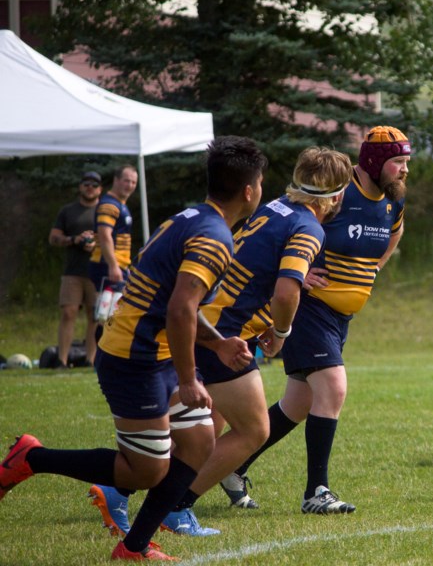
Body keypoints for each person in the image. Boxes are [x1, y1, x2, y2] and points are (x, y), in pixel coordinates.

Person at [0, 136, 267, 561]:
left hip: (156, 352)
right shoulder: (215, 237)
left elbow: (171, 303)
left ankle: (134, 547)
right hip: (133, 359)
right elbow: (179, 310)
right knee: (145, 470)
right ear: (250, 190)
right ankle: (32, 457)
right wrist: (187, 378)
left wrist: (215, 344)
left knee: (199, 442)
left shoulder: (190, 218)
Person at [88, 147, 352, 537]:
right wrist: (280, 333)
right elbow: (284, 292)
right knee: (254, 430)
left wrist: (261, 317)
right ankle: (175, 506)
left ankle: (121, 489)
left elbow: (252, 267)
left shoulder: (277, 207)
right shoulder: (310, 227)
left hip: (211, 323)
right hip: (219, 333)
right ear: (334, 196)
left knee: (208, 426)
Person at [221, 126, 411, 515]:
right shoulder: (337, 191)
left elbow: (395, 231)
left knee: (299, 402)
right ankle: (316, 491)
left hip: (341, 317)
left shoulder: (393, 200)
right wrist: (296, 274)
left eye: (406, 162)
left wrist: (375, 268)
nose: (404, 170)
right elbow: (281, 226)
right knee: (334, 388)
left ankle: (232, 465)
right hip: (310, 307)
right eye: (397, 162)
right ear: (374, 162)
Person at [49, 170, 101, 367]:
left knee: (95, 316)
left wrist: (96, 244)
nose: (90, 188)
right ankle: (61, 360)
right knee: (68, 312)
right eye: (86, 183)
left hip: (97, 271)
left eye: (94, 185)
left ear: (100, 189)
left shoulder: (104, 211)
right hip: (73, 271)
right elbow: (53, 237)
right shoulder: (67, 211)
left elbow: (114, 239)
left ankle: (91, 359)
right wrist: (75, 239)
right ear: (80, 186)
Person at [88, 164, 139, 321]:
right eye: (126, 180)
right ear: (116, 180)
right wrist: (113, 265)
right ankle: (102, 346)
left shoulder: (120, 205)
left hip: (118, 265)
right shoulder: (109, 204)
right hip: (106, 266)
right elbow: (104, 235)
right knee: (107, 317)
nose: (129, 185)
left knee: (112, 317)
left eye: (133, 182)